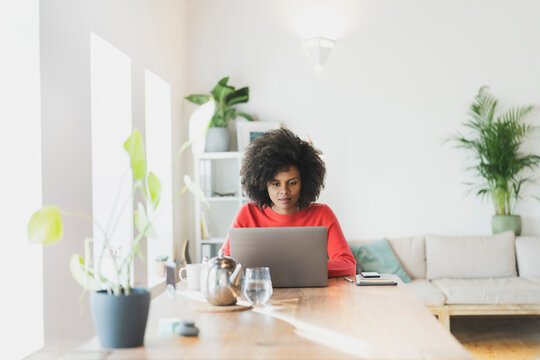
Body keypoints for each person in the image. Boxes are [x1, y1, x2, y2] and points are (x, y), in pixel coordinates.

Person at [220, 128, 356, 277]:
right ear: (263, 184)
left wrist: (306, 269)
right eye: (276, 184)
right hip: (261, 293)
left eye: (292, 183)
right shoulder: (248, 214)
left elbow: (348, 264)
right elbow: (225, 262)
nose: (284, 191)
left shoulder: (322, 214)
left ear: (304, 182)